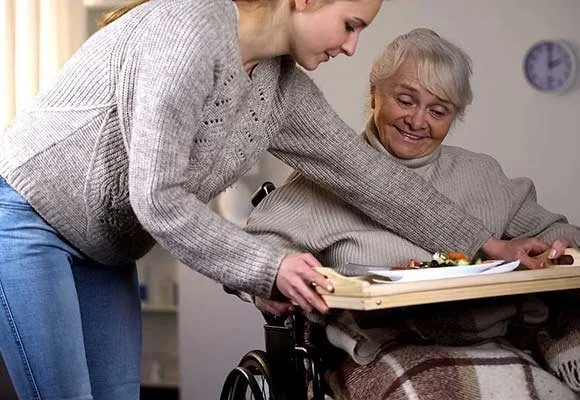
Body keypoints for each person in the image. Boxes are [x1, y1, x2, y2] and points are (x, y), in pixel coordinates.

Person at [0, 0, 551, 398]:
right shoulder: (187, 29)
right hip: (27, 218)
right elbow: (158, 197)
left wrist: (487, 244)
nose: (352, 45)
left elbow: (372, 178)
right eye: (350, 24)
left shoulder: (278, 84)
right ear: (306, 1)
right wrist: (270, 267)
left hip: (106, 250)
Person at [245, 28, 580, 398]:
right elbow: (256, 252)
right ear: (374, 93)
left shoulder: (482, 175)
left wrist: (559, 247)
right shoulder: (321, 180)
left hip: (486, 338)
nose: (417, 121)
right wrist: (272, 284)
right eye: (406, 100)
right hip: (375, 349)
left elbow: (561, 232)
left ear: (455, 116)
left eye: (438, 110)